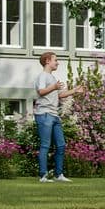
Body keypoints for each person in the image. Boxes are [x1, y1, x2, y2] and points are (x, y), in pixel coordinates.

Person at [33, 51, 74, 182]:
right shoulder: (42, 76)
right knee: (45, 145)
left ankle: (59, 175)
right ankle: (43, 176)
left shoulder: (52, 78)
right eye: (55, 60)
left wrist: (74, 91)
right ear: (47, 61)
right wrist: (54, 86)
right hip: (44, 114)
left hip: (54, 115)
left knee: (61, 145)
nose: (57, 63)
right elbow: (41, 91)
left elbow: (59, 95)